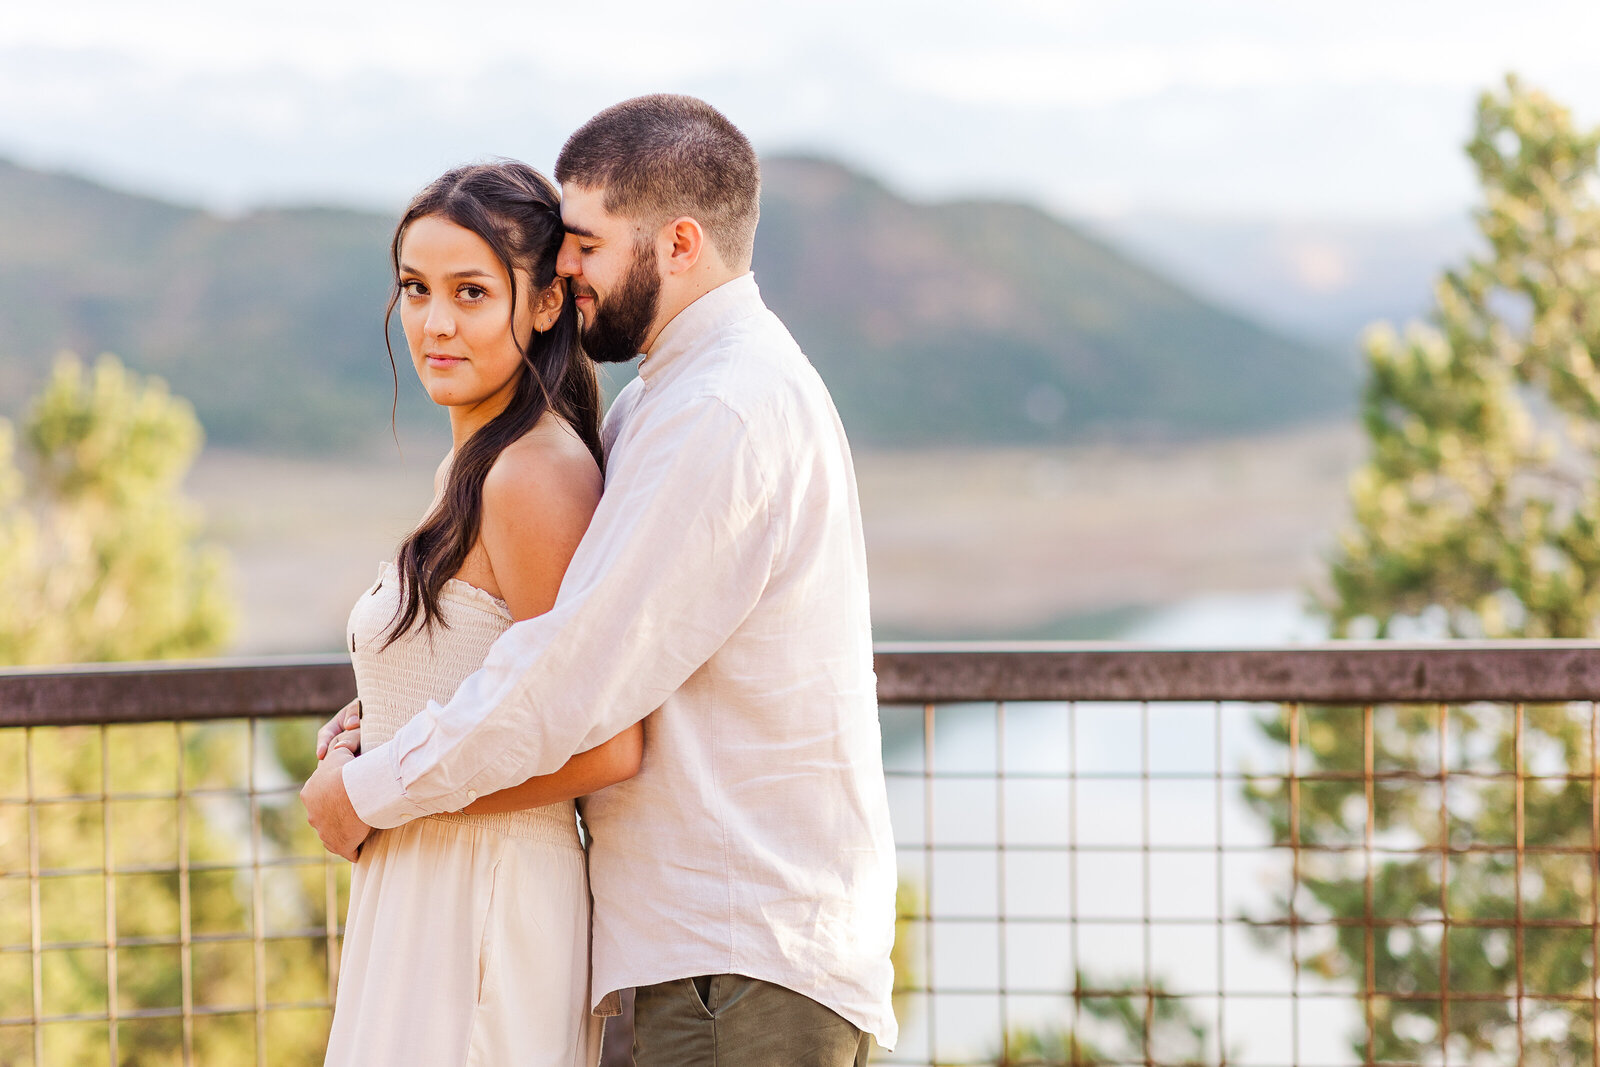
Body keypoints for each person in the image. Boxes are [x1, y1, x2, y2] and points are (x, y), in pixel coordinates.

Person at [302, 94, 899, 1065]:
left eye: (583, 244)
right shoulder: (661, 406)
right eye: (414, 288)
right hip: (710, 955)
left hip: (740, 958)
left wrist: (372, 787)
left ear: (678, 241)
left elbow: (573, 683)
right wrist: (388, 716)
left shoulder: (721, 413)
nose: (566, 269)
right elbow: (528, 654)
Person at [307, 160, 642, 1067]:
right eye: (416, 289)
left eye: (471, 291)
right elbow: (473, 677)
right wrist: (364, 739)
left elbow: (605, 746)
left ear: (540, 305)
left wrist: (378, 799)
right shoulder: (475, 469)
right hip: (426, 884)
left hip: (486, 893)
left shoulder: (535, 475)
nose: (435, 322)